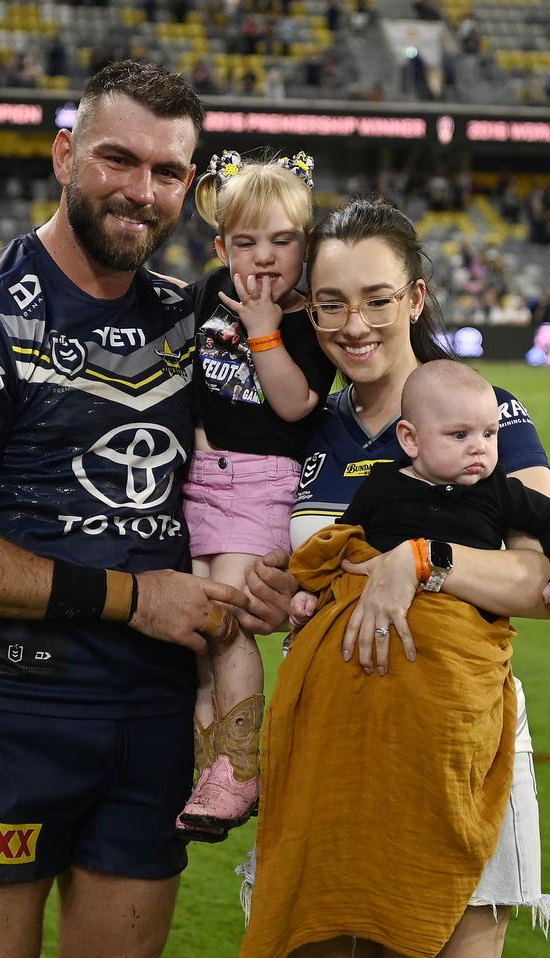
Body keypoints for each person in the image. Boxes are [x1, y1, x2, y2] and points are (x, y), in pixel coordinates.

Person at [0, 60, 255, 958]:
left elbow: (291, 451)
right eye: (117, 159)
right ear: (65, 155)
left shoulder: (195, 323)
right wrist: (135, 598)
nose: (142, 192)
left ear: (192, 182)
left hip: (149, 719)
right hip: (5, 715)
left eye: (170, 171)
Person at [238, 197, 550, 958]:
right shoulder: (306, 419)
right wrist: (276, 596)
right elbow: (297, 567)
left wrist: (423, 559)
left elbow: (537, 583)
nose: (354, 324)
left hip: (455, 750)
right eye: (332, 302)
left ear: (414, 298)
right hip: (328, 754)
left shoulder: (487, 419)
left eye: (377, 298)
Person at [175, 150, 337, 835]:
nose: (262, 257)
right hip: (198, 482)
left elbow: (297, 404)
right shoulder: (211, 290)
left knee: (229, 618)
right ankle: (208, 766)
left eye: (282, 241)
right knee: (190, 628)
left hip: (264, 481)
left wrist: (266, 329)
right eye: (245, 242)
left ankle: (240, 768)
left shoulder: (309, 321)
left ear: (308, 248)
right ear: (221, 246)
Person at [290, 359, 550, 628]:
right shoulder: (383, 484)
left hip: (466, 638)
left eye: (489, 433)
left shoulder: (497, 489)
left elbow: (545, 516)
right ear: (410, 439)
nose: (479, 447)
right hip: (382, 626)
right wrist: (311, 590)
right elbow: (338, 542)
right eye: (460, 435)